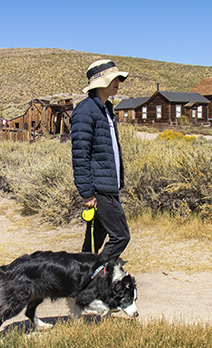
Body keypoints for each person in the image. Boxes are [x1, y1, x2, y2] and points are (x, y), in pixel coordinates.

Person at [70, 59, 130, 264]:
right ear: (100, 82)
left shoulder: (106, 110)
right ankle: (97, 275)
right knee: (121, 236)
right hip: (99, 188)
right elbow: (80, 154)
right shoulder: (85, 111)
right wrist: (87, 192)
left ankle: (80, 285)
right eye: (113, 78)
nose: (118, 82)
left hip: (108, 185)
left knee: (92, 243)